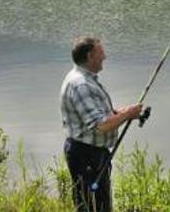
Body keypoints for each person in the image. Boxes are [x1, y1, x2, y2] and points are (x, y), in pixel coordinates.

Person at [60, 36, 143, 212]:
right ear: (90, 56)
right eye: (101, 52)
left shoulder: (83, 79)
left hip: (90, 153)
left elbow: (99, 115)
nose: (105, 57)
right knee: (93, 206)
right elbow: (101, 125)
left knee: (97, 203)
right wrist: (127, 113)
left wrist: (125, 113)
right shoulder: (81, 85)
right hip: (86, 155)